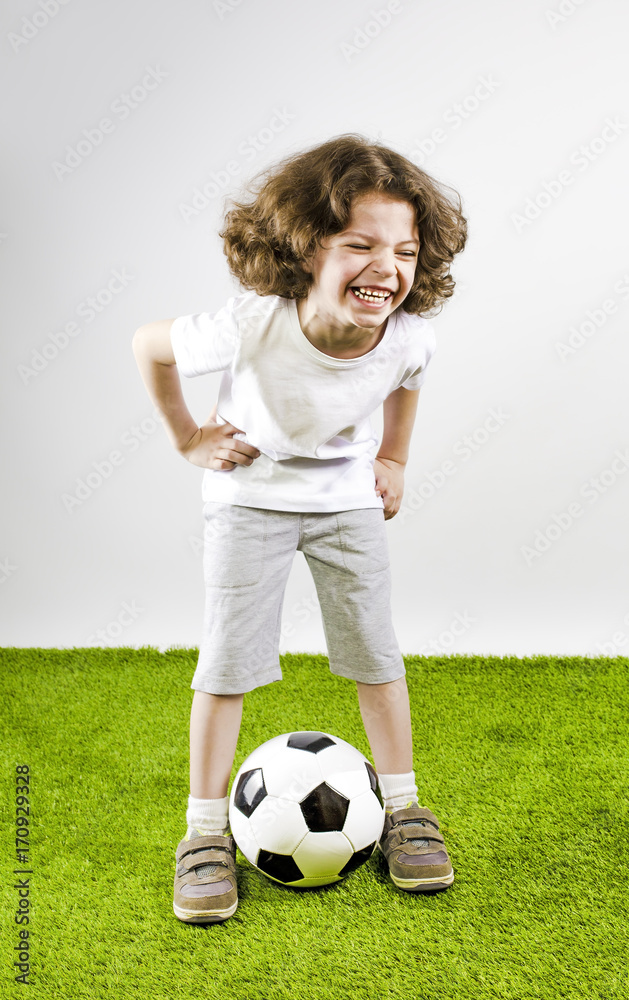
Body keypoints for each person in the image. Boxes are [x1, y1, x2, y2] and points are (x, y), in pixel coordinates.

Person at [132, 133, 467, 923]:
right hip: (249, 501)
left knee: (374, 652)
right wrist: (188, 437)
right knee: (227, 660)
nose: (386, 267)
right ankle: (205, 830)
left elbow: (406, 379)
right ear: (305, 246)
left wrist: (393, 458)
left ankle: (406, 809)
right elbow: (150, 347)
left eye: (406, 250)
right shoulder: (251, 323)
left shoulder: (410, 332)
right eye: (359, 244)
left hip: (347, 504)